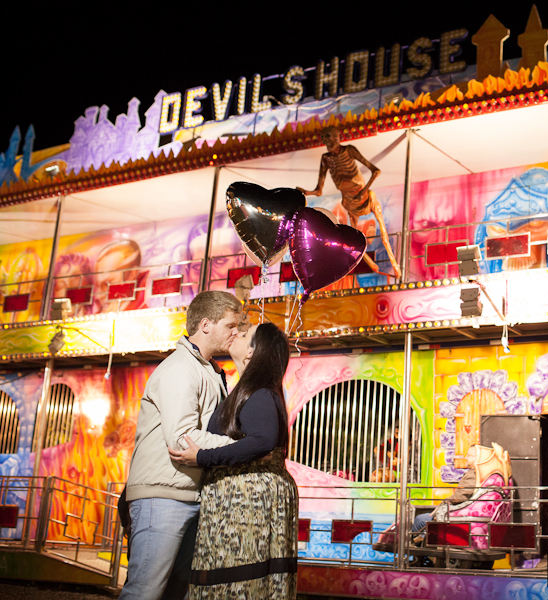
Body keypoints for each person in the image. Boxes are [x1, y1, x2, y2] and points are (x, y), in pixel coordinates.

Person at [120, 291, 242, 600]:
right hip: (163, 497)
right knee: (145, 592)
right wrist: (242, 448)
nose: (235, 333)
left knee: (175, 593)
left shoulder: (206, 369)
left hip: (186, 494)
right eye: (230, 325)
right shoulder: (181, 368)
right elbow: (182, 438)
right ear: (205, 325)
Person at [169, 322, 298, 599]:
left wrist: (202, 456)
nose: (235, 334)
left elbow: (262, 440)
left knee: (238, 577)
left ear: (252, 352)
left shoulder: (260, 392)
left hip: (245, 504)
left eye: (242, 335)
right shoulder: (252, 390)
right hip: (240, 501)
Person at [297, 126, 402, 278]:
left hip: (364, 196)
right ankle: (370, 263)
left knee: (380, 226)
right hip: (348, 201)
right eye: (324, 138)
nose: (327, 141)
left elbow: (375, 171)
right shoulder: (325, 159)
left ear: (338, 137)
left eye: (330, 136)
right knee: (355, 236)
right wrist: (307, 193)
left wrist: (364, 191)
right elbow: (319, 190)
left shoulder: (350, 150)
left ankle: (394, 264)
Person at [413, 446, 479, 533]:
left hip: (456, 514)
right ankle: (421, 539)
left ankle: (414, 544)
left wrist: (443, 505)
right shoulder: (473, 474)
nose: (465, 458)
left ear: (476, 457)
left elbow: (459, 497)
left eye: (468, 455)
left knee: (419, 519)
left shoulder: (473, 475)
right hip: (456, 511)